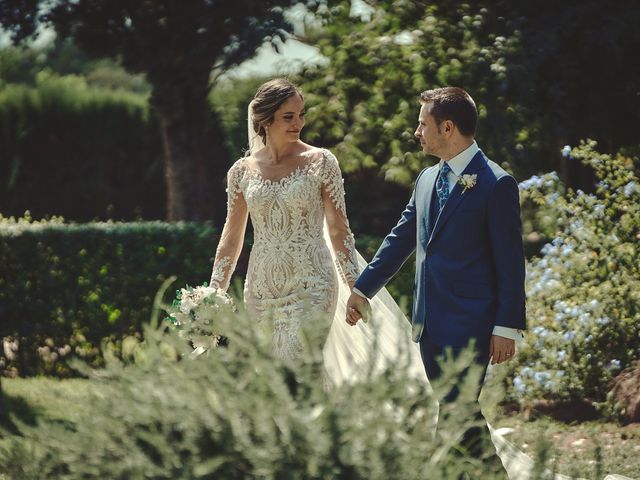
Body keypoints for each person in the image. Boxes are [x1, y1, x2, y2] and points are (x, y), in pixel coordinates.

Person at [345, 86, 527, 476]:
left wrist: (506, 326)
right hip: (429, 322)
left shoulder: (496, 183)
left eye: (422, 123)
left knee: (457, 410)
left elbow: (511, 263)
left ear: (447, 127)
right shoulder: (427, 178)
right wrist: (363, 288)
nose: (416, 131)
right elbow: (400, 239)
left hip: (473, 323)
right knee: (458, 413)